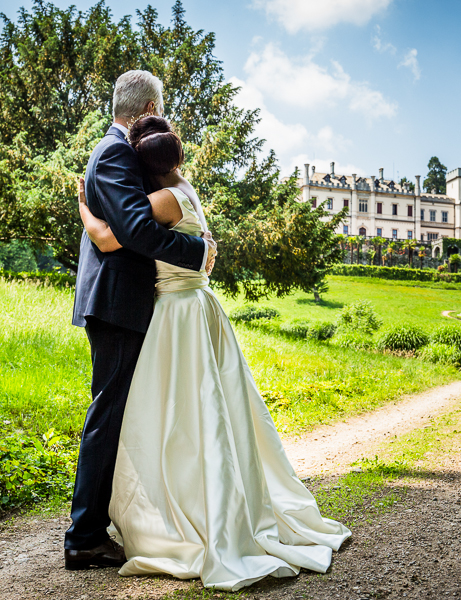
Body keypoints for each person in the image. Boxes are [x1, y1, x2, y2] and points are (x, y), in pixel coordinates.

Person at [76, 115, 351, 591]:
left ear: (144, 165)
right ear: (178, 159)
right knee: (204, 411)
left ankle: (181, 510)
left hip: (177, 314)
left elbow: (112, 235)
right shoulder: (185, 191)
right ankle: (202, 501)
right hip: (194, 306)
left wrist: (84, 206)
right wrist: (200, 249)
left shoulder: (160, 200)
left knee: (178, 417)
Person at [66, 70, 217, 569]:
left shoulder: (119, 154)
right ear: (149, 108)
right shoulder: (113, 153)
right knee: (108, 415)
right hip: (116, 303)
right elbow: (131, 229)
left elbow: (111, 229)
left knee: (116, 413)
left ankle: (99, 524)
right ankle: (84, 536)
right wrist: (197, 251)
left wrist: (88, 218)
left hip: (124, 302)